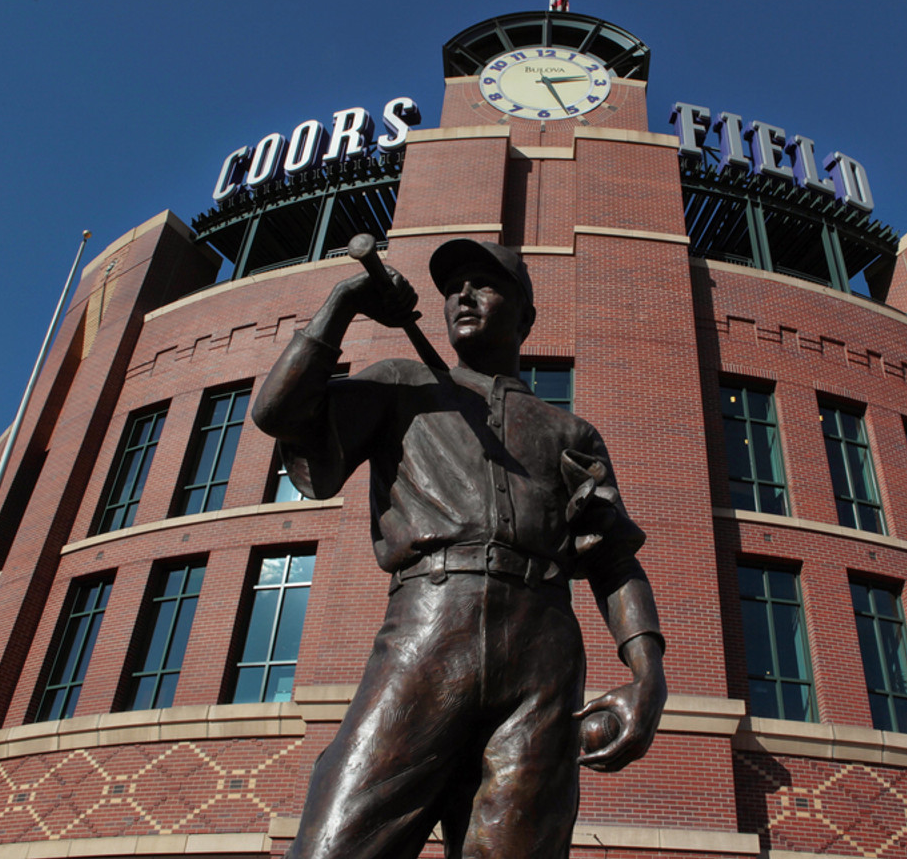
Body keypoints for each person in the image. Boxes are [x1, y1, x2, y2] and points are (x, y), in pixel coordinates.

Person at [253, 238, 666, 859]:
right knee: (335, 844)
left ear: (525, 316)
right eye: (452, 288)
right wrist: (344, 303)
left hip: (543, 653)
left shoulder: (568, 431)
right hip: (428, 630)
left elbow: (613, 560)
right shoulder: (404, 384)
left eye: (483, 284)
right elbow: (278, 411)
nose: (462, 297)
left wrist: (648, 676)